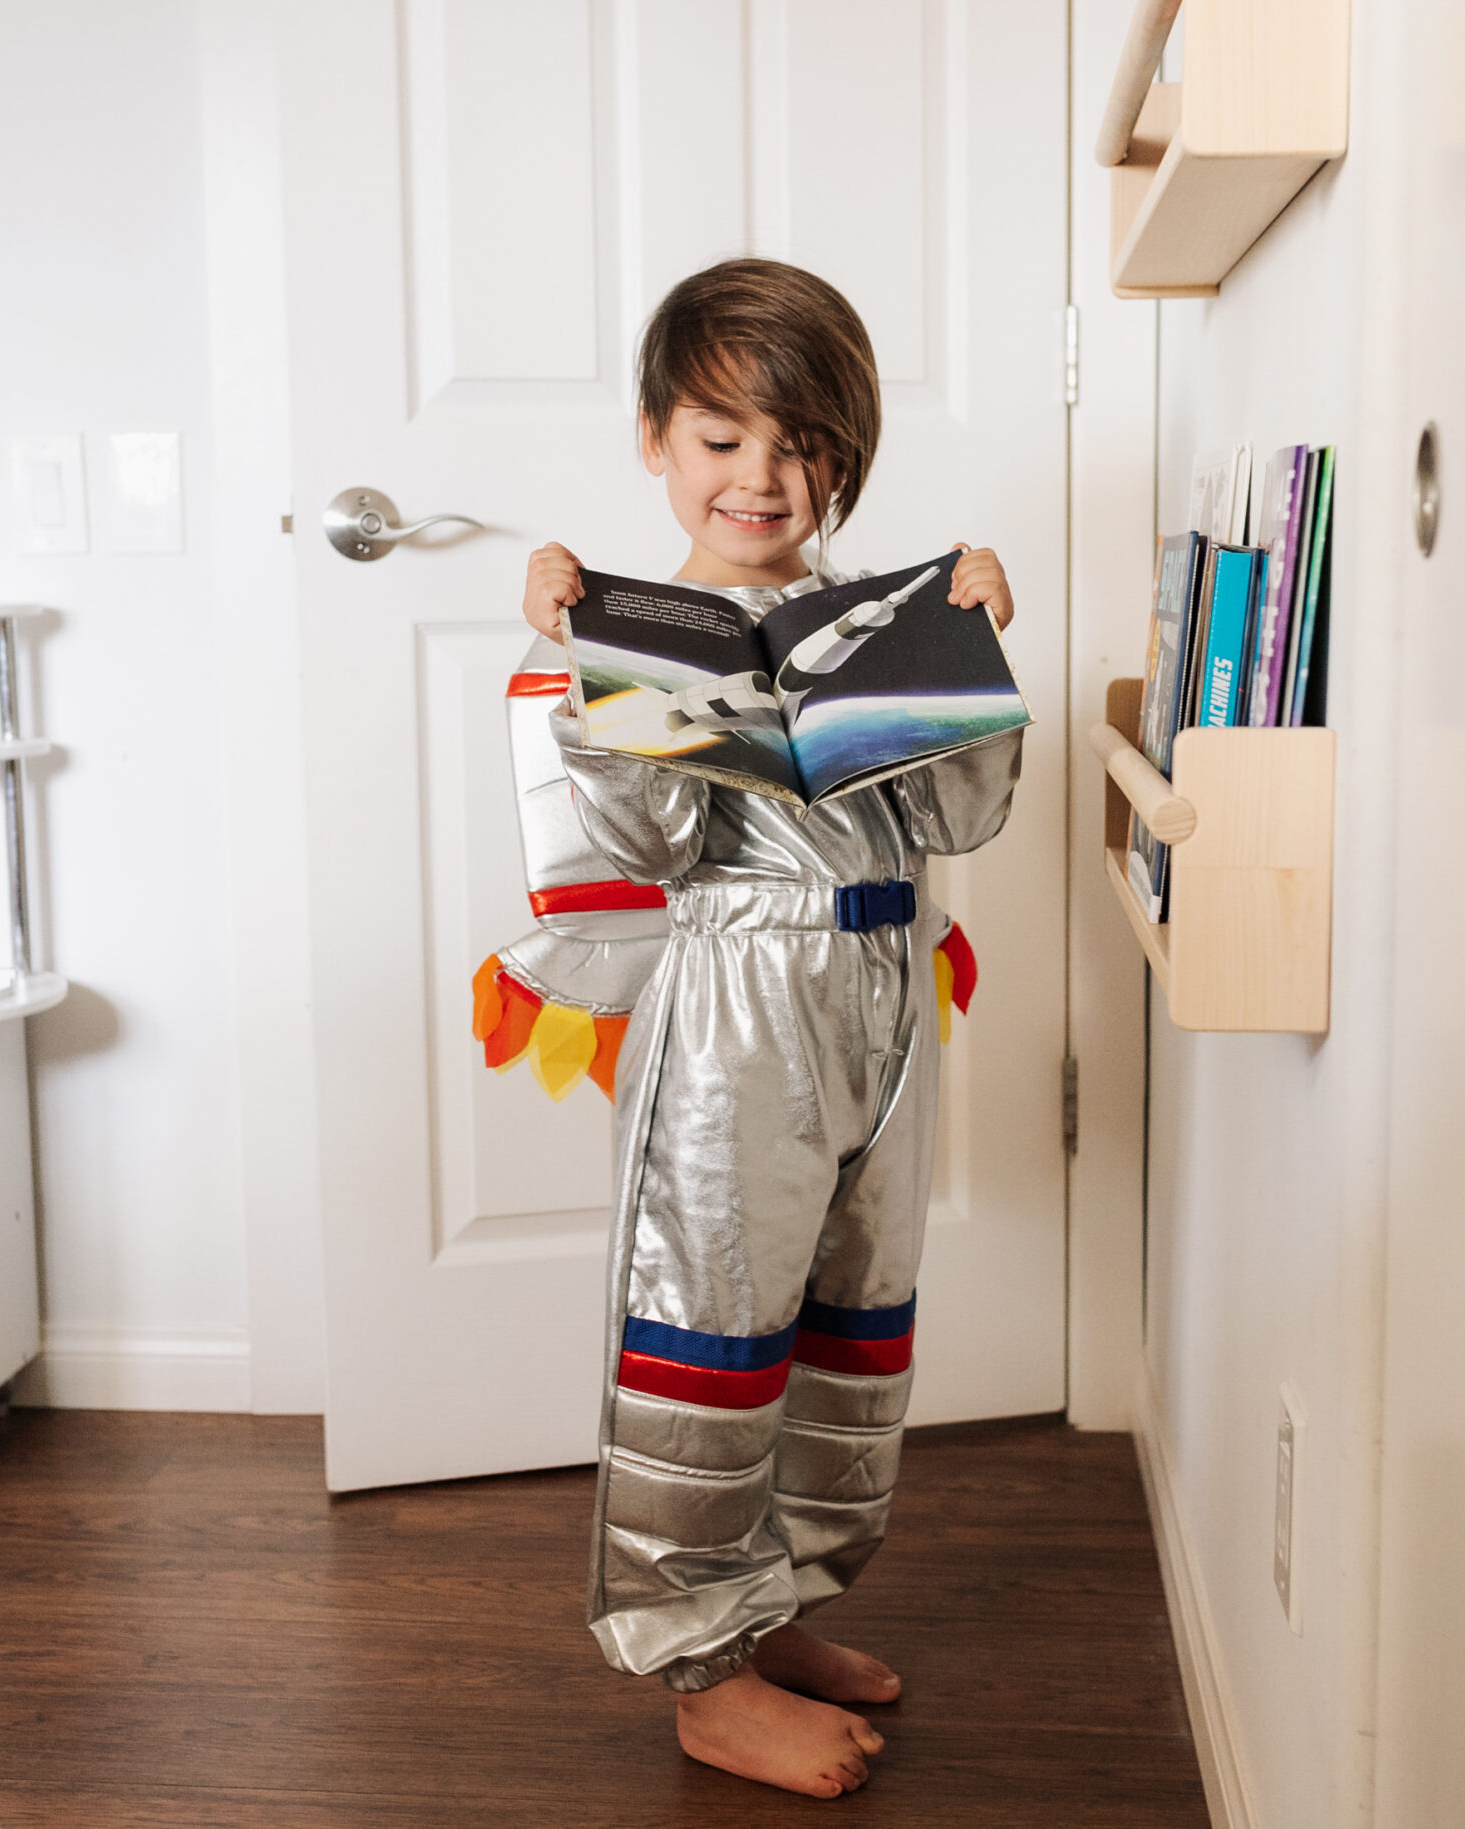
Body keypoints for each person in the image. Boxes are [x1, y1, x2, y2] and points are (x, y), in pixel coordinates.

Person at [518, 257, 1023, 1799]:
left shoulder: (870, 617)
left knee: (850, 1317)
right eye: (722, 437)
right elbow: (647, 838)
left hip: (881, 995)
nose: (762, 476)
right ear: (658, 441)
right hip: (736, 999)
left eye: (800, 443)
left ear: (846, 459)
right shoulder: (636, 619)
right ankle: (699, 1668)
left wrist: (968, 653)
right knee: (714, 1330)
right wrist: (596, 665)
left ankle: (773, 1602)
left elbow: (965, 812)